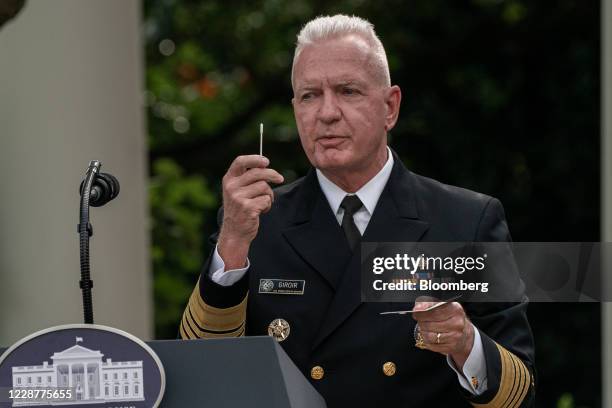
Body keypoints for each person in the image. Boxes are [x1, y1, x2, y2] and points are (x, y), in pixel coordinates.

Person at [179, 14, 535, 407]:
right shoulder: (257, 221)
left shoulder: (465, 220)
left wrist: (466, 344)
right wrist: (230, 244)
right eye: (310, 95)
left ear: (390, 107)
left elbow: (520, 392)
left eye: (347, 91)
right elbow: (203, 371)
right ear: (295, 108)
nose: (327, 113)